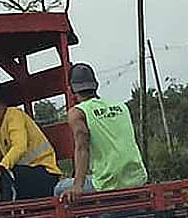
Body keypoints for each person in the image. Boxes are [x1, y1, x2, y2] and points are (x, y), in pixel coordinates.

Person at [58, 62, 148, 203]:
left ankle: (86, 215)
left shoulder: (77, 113)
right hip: (137, 179)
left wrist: (77, 186)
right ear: (96, 85)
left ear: (71, 90)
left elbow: (82, 148)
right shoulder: (122, 107)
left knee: (59, 188)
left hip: (107, 184)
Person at [0, 83, 62, 201]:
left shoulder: (14, 115)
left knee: (4, 176)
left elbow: (20, 146)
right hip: (26, 176)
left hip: (45, 174)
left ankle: (7, 211)